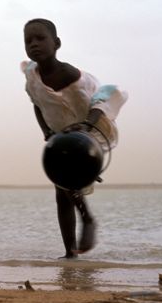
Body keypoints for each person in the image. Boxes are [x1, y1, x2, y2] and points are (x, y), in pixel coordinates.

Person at [20, 19, 127, 259]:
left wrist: (88, 145)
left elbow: (100, 104)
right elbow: (36, 103)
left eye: (40, 38)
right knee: (62, 193)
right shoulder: (32, 75)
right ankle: (70, 252)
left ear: (56, 43)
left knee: (70, 184)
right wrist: (46, 132)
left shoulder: (72, 77)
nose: (34, 44)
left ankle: (88, 221)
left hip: (88, 126)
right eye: (28, 41)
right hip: (59, 133)